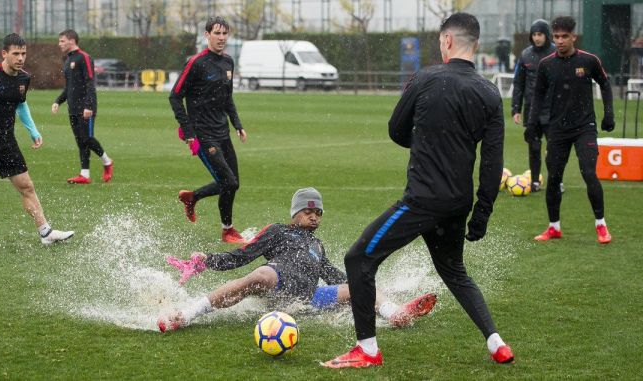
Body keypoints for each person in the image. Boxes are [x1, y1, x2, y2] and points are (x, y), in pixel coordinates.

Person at [323, 13, 514, 369]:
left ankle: (367, 350)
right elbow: (492, 163)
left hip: (422, 203)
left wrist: (427, 141)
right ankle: (496, 342)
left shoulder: (427, 78)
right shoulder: (489, 92)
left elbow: (396, 130)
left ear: (446, 41)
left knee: (358, 259)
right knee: (454, 271)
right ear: (476, 44)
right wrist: (482, 213)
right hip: (458, 204)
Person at [157, 188, 437, 333]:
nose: (314, 216)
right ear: (295, 213)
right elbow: (243, 256)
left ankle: (396, 313)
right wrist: (206, 261)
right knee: (260, 276)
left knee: (359, 287)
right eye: (307, 211)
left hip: (309, 296)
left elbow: (335, 276)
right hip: (277, 285)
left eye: (318, 213)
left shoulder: (317, 245)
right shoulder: (278, 231)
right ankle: (187, 314)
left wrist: (366, 287)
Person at [0, 33, 74, 253]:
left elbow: (21, 105)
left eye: (23, 53)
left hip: (7, 141)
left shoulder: (23, 78)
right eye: (16, 53)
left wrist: (33, 130)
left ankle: (45, 233)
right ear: (4, 54)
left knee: (27, 187)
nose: (20, 58)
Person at [529, 16, 614, 244]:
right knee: (554, 178)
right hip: (557, 130)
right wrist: (532, 123)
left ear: (573, 37)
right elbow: (537, 95)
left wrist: (609, 114)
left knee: (589, 172)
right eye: (556, 36)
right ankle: (553, 227)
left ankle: (601, 226)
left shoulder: (589, 61)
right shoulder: (546, 64)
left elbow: (605, 84)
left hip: (584, 128)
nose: (560, 41)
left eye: (564, 36)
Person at [169, 16, 248, 244]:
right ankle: (228, 230)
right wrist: (188, 132)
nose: (221, 38)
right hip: (203, 134)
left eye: (225, 34)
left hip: (222, 132)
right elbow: (175, 96)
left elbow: (227, 98)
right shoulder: (196, 63)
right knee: (228, 182)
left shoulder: (228, 63)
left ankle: (192, 197)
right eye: (217, 33)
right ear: (207, 35)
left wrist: (237, 124)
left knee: (233, 182)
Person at [52, 29, 114, 185]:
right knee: (80, 140)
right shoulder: (67, 61)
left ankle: (107, 161)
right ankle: (84, 175)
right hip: (72, 108)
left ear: (72, 41)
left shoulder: (84, 58)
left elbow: (90, 83)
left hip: (86, 108)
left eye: (62, 41)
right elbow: (69, 87)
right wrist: (58, 101)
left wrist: (89, 106)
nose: (59, 44)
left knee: (87, 138)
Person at [512, 19, 559, 193]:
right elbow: (519, 83)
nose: (537, 38)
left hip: (553, 110)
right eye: (534, 34)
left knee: (554, 149)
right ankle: (534, 182)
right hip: (532, 111)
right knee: (534, 147)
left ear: (546, 35)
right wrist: (516, 109)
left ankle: (557, 182)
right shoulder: (525, 55)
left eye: (540, 34)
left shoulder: (557, 52)